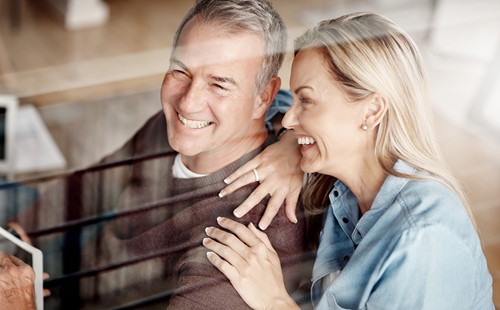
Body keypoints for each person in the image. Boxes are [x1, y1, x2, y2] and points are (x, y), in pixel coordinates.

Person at [1, 0, 311, 308]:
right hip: (82, 275)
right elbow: (95, 182)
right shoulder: (173, 129)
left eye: (219, 85)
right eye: (181, 70)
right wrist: (16, 235)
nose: (188, 103)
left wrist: (19, 303)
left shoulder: (244, 241)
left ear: (264, 97)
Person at [203, 12, 495, 309]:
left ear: (370, 112)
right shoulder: (347, 187)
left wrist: (275, 301)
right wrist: (290, 143)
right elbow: (276, 101)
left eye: (306, 101)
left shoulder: (422, 240)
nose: (289, 117)